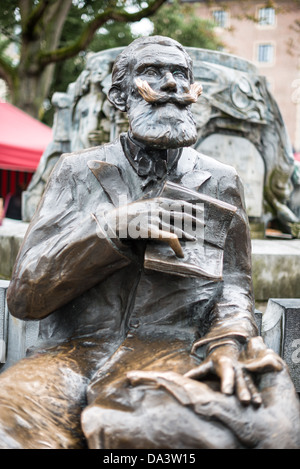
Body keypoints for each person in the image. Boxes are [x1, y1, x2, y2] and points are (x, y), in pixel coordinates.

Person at [0, 36, 299, 449]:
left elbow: (234, 288)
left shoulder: (222, 180)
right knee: (10, 430)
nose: (172, 85)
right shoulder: (76, 171)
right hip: (67, 356)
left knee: (170, 437)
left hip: (166, 356)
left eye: (180, 74)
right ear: (120, 97)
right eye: (153, 73)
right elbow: (25, 297)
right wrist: (112, 228)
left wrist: (228, 344)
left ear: (194, 92)